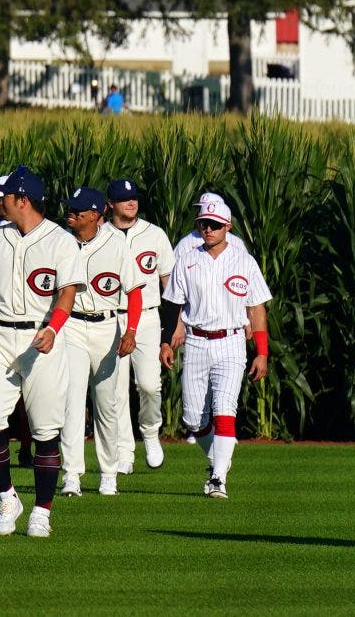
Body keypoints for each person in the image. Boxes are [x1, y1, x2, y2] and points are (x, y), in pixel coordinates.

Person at [0, 167, 85, 538]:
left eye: (4, 198)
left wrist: (53, 327)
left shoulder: (60, 241)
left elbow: (67, 292)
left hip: (41, 338)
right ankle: (7, 497)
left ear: (22, 200)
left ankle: (42, 511)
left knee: (46, 430)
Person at [162, 192, 271, 502]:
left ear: (228, 227)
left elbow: (257, 308)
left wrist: (261, 352)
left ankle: (218, 478)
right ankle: (219, 458)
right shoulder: (187, 258)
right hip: (196, 341)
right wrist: (165, 342)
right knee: (192, 419)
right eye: (203, 223)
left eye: (214, 224)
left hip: (232, 342)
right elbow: (172, 305)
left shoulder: (244, 261)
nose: (207, 229)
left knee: (225, 408)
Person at [56, 187, 141, 497]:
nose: (71, 214)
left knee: (107, 404)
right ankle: (72, 476)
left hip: (107, 327)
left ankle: (108, 473)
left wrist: (131, 330)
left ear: (94, 216)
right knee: (72, 403)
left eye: (78, 211)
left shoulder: (116, 243)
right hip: (72, 326)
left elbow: (134, 291)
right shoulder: (60, 241)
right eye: (70, 209)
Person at [105, 178, 176, 469]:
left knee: (148, 385)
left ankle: (150, 432)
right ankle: (124, 452)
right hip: (112, 317)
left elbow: (169, 283)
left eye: (134, 197)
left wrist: (172, 328)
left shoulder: (154, 234)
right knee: (117, 389)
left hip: (147, 315)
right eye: (124, 199)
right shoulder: (101, 235)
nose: (131, 202)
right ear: (110, 204)